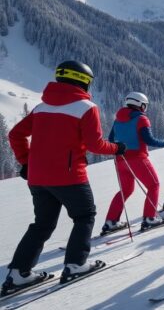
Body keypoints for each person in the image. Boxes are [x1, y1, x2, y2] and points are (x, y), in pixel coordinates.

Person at [3, 60, 124, 294]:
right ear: (84, 81)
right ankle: (76, 264)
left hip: (38, 178)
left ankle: (18, 273)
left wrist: (26, 162)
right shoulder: (86, 108)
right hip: (70, 177)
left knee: (42, 224)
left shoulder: (41, 108)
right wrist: (117, 148)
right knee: (85, 215)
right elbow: (95, 145)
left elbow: (15, 134)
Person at [103, 92, 164, 233]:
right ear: (140, 104)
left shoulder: (117, 120)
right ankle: (149, 219)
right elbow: (149, 140)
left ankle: (111, 222)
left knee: (126, 190)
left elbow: (111, 140)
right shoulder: (141, 119)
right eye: (144, 105)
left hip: (120, 160)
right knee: (154, 185)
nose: (145, 108)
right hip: (138, 159)